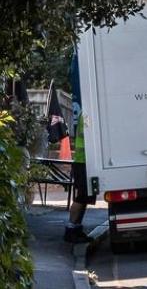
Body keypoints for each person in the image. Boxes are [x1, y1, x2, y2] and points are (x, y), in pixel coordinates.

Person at [63, 52, 92, 244]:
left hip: (84, 160)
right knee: (82, 198)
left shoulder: (84, 115)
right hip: (83, 161)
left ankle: (76, 228)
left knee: (85, 198)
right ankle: (71, 229)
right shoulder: (87, 116)